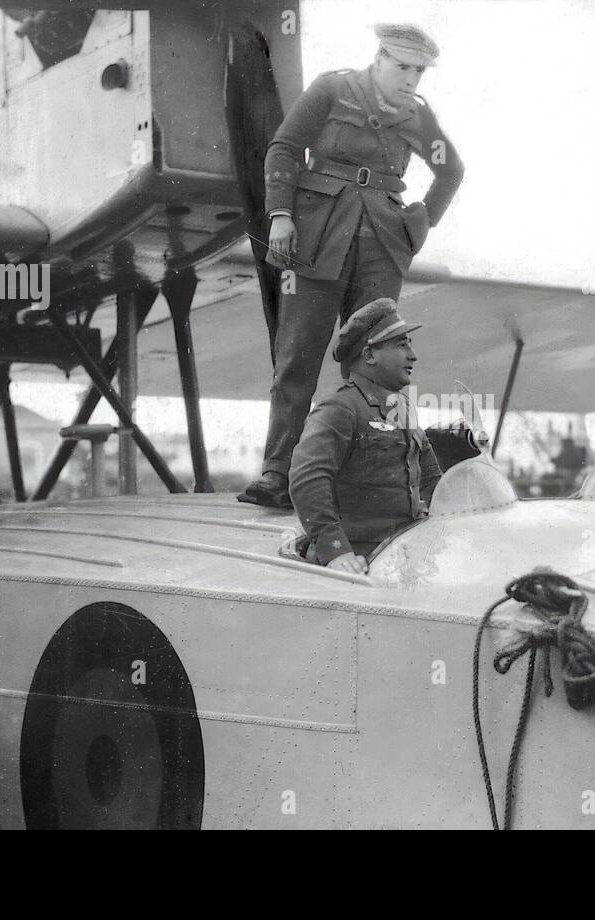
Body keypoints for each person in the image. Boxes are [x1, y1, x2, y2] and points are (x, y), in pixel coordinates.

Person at [239, 22, 464, 509]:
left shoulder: (420, 117)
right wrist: (280, 214)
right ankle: (278, 474)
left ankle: (370, 482)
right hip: (317, 242)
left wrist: (418, 225)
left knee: (378, 365)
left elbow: (451, 169)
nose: (411, 79)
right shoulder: (332, 88)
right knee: (296, 359)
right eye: (402, 66)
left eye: (419, 71)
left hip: (382, 247)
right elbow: (284, 146)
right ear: (380, 58)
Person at [288, 298, 442, 573]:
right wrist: (335, 552)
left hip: (402, 556)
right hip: (360, 563)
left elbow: (431, 480)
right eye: (401, 344)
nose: (413, 355)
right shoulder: (340, 407)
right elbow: (307, 478)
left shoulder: (403, 407)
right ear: (369, 355)